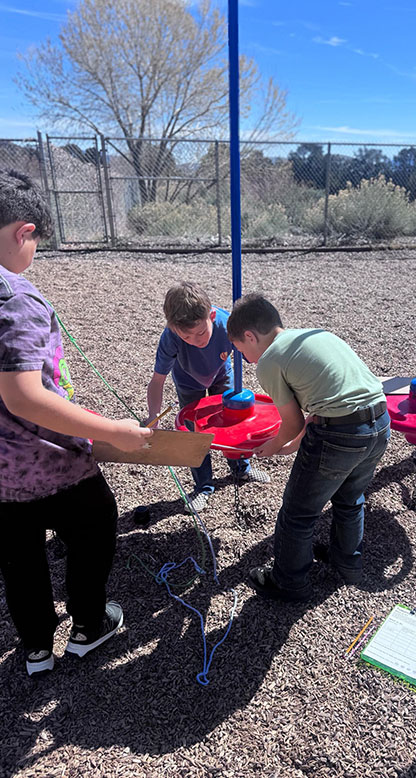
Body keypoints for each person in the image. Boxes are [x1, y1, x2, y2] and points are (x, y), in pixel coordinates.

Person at [0, 169, 153, 676]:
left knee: (19, 559)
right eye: (35, 242)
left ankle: (37, 647)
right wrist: (113, 431)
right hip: (47, 461)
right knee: (94, 525)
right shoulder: (16, 298)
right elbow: (24, 395)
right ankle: (90, 623)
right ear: (25, 231)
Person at [227, 293, 390, 602]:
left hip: (340, 435)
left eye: (241, 350)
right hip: (379, 424)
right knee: (350, 498)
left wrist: (272, 446)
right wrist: (294, 444)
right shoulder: (316, 335)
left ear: (250, 336)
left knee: (298, 513)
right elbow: (324, 404)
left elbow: (290, 422)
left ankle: (289, 582)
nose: (246, 359)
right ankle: (348, 563)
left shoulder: (271, 360)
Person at [146, 281, 270, 513]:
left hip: (221, 376)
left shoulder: (228, 325)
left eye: (201, 333)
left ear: (211, 315)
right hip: (188, 382)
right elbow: (157, 380)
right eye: (188, 338)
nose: (196, 340)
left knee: (233, 419)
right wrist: (153, 415)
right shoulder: (170, 337)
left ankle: (241, 468)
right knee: (195, 432)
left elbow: (253, 353)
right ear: (175, 330)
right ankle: (203, 486)